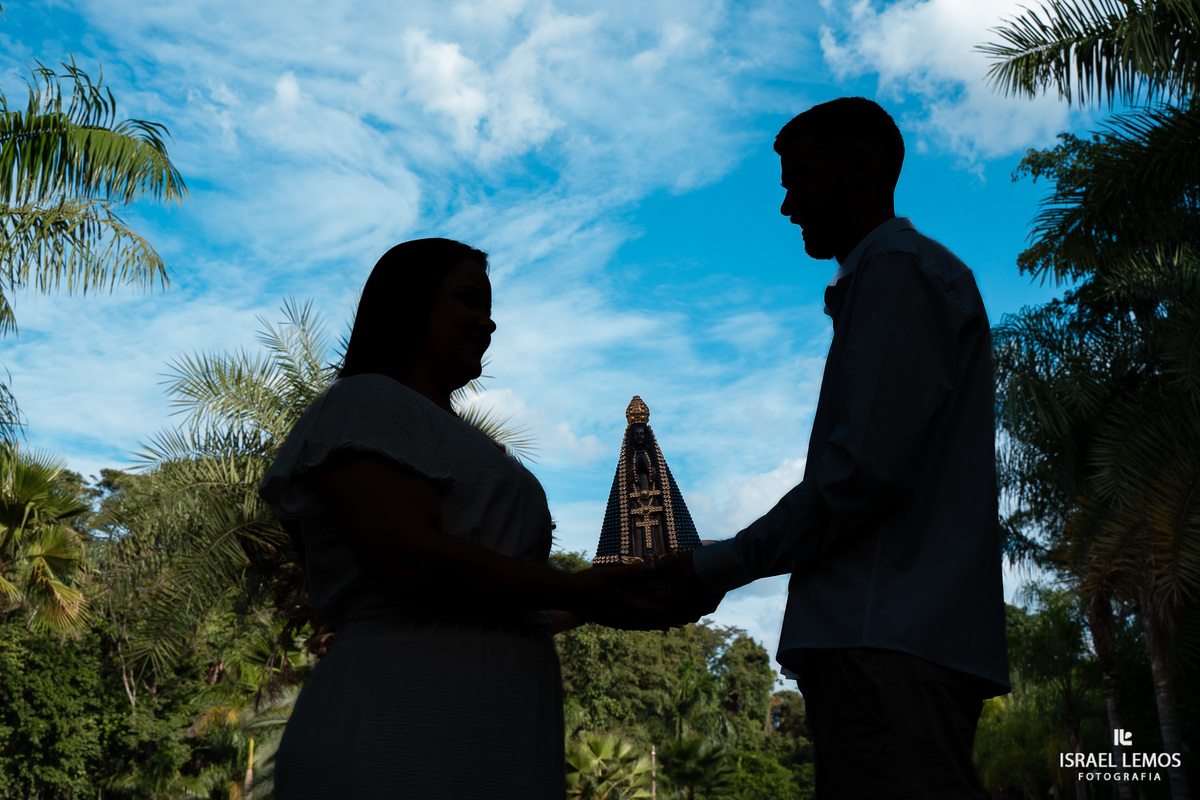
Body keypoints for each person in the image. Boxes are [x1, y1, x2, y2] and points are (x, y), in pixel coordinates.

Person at [655, 98, 1011, 797]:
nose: (788, 206)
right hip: (893, 644)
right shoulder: (901, 277)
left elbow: (858, 475)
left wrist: (714, 567)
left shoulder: (897, 272)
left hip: (883, 642)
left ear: (860, 168)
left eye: (801, 179)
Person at [260, 238, 658, 799]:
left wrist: (626, 591)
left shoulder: (456, 436)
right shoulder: (368, 401)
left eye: (489, 308)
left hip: (488, 723)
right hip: (406, 712)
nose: (488, 323)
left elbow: (508, 602)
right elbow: (408, 558)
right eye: (469, 301)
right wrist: (582, 590)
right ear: (408, 305)